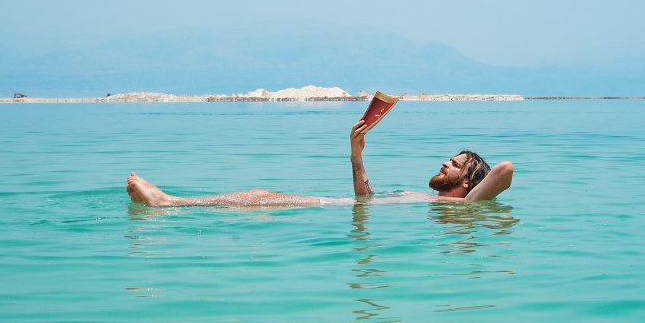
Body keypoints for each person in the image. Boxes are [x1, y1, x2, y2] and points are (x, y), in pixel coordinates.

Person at [125, 120, 513, 207]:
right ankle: (170, 202)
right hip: (345, 207)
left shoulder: (464, 207)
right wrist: (356, 154)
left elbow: (505, 169)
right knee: (260, 197)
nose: (445, 162)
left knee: (260, 197)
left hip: (330, 210)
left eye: (456, 163)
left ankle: (169, 203)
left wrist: (472, 194)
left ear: (469, 180)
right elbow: (367, 199)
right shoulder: (441, 205)